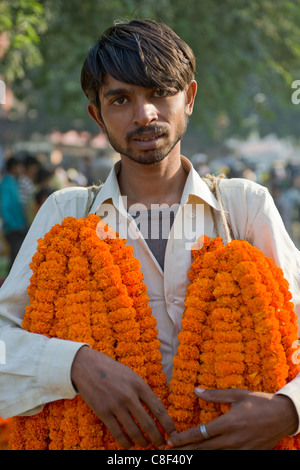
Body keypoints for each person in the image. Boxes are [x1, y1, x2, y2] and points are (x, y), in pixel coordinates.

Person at [0, 19, 300, 451]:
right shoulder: (67, 216)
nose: (145, 115)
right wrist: (73, 364)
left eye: (160, 92)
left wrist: (288, 411)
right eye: (121, 99)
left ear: (190, 98)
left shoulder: (244, 209)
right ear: (97, 116)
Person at [0, 157, 28, 269]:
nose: (21, 169)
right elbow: (5, 207)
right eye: (19, 167)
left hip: (17, 225)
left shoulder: (13, 182)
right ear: (13, 167)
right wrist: (13, 225)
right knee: (15, 256)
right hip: (13, 227)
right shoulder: (7, 184)